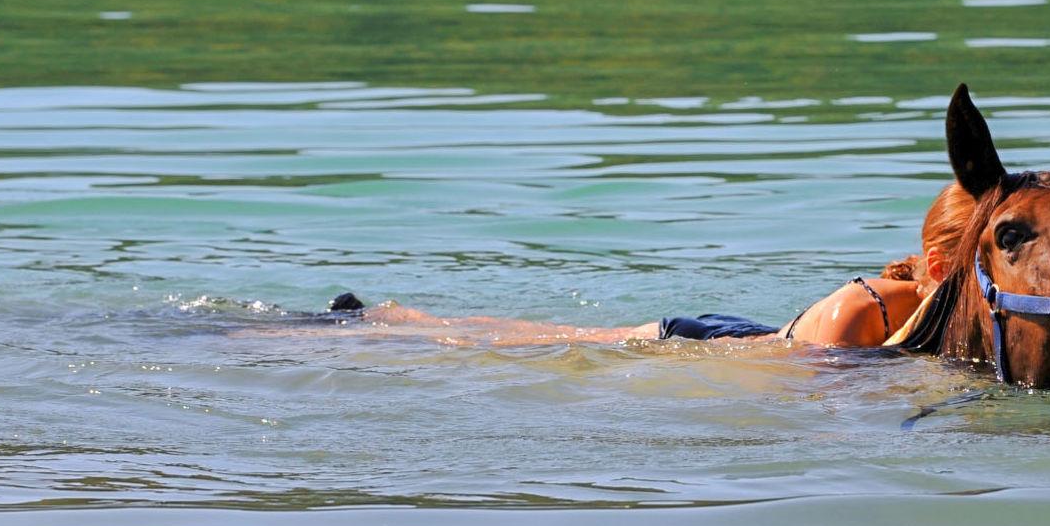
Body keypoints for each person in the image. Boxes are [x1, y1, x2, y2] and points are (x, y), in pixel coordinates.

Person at [341, 182, 973, 350]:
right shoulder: (864, 304)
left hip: (750, 332)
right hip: (698, 343)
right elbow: (817, 405)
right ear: (940, 264)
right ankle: (399, 323)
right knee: (530, 342)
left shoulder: (924, 317)